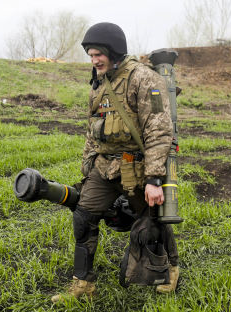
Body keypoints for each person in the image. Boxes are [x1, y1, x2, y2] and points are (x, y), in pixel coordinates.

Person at [51, 22, 179, 303]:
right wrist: (87, 168)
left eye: (99, 54)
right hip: (104, 167)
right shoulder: (98, 81)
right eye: (91, 55)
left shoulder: (144, 79)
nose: (94, 60)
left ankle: (170, 268)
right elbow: (92, 129)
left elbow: (159, 131)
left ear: (114, 51)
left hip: (138, 167)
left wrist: (155, 179)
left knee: (153, 219)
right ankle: (83, 285)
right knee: (83, 216)